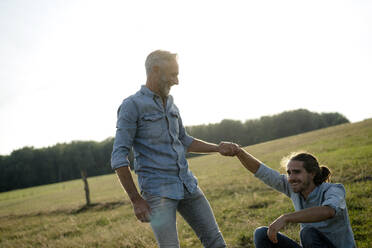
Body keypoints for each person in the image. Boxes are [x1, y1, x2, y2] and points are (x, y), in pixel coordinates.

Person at [111, 50, 236, 248]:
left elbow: (184, 140)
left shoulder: (171, 103)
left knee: (215, 242)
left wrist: (217, 148)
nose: (177, 81)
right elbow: (118, 157)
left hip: (187, 184)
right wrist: (136, 200)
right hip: (157, 192)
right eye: (173, 75)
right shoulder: (131, 106)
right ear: (155, 70)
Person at [233, 147, 356, 248]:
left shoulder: (333, 190)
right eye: (289, 173)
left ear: (312, 173)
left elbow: (328, 211)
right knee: (261, 233)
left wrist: (287, 218)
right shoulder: (293, 186)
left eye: (297, 172)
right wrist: (239, 152)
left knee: (308, 233)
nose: (291, 178)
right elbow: (261, 171)